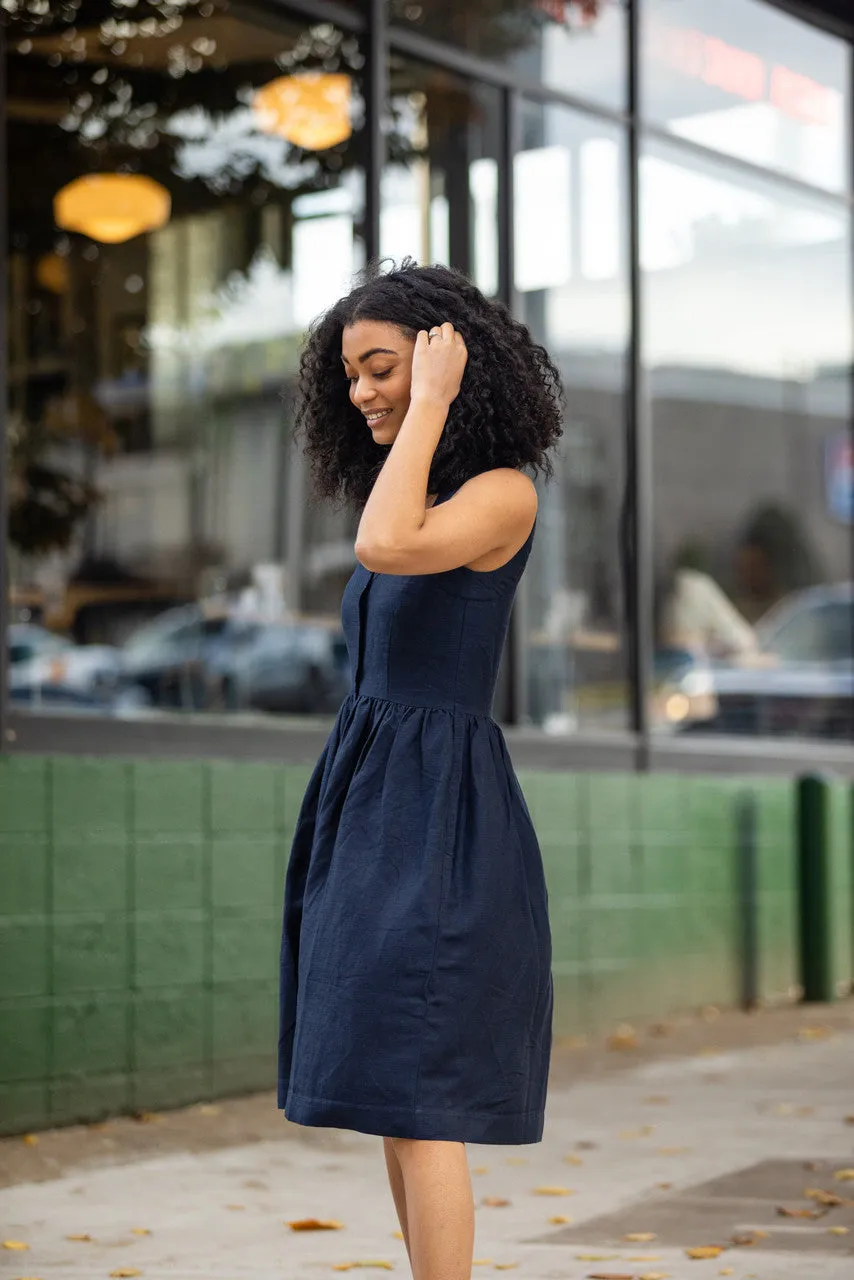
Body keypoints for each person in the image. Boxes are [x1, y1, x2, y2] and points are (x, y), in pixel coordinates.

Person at [278, 260, 562, 1280]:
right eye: (349, 375)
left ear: (446, 360)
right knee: (390, 1088)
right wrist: (415, 417)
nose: (361, 393)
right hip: (370, 794)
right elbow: (385, 531)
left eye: (382, 367)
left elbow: (385, 541)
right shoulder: (427, 483)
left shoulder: (499, 492)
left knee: (418, 1087)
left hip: (439, 813)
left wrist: (432, 400)